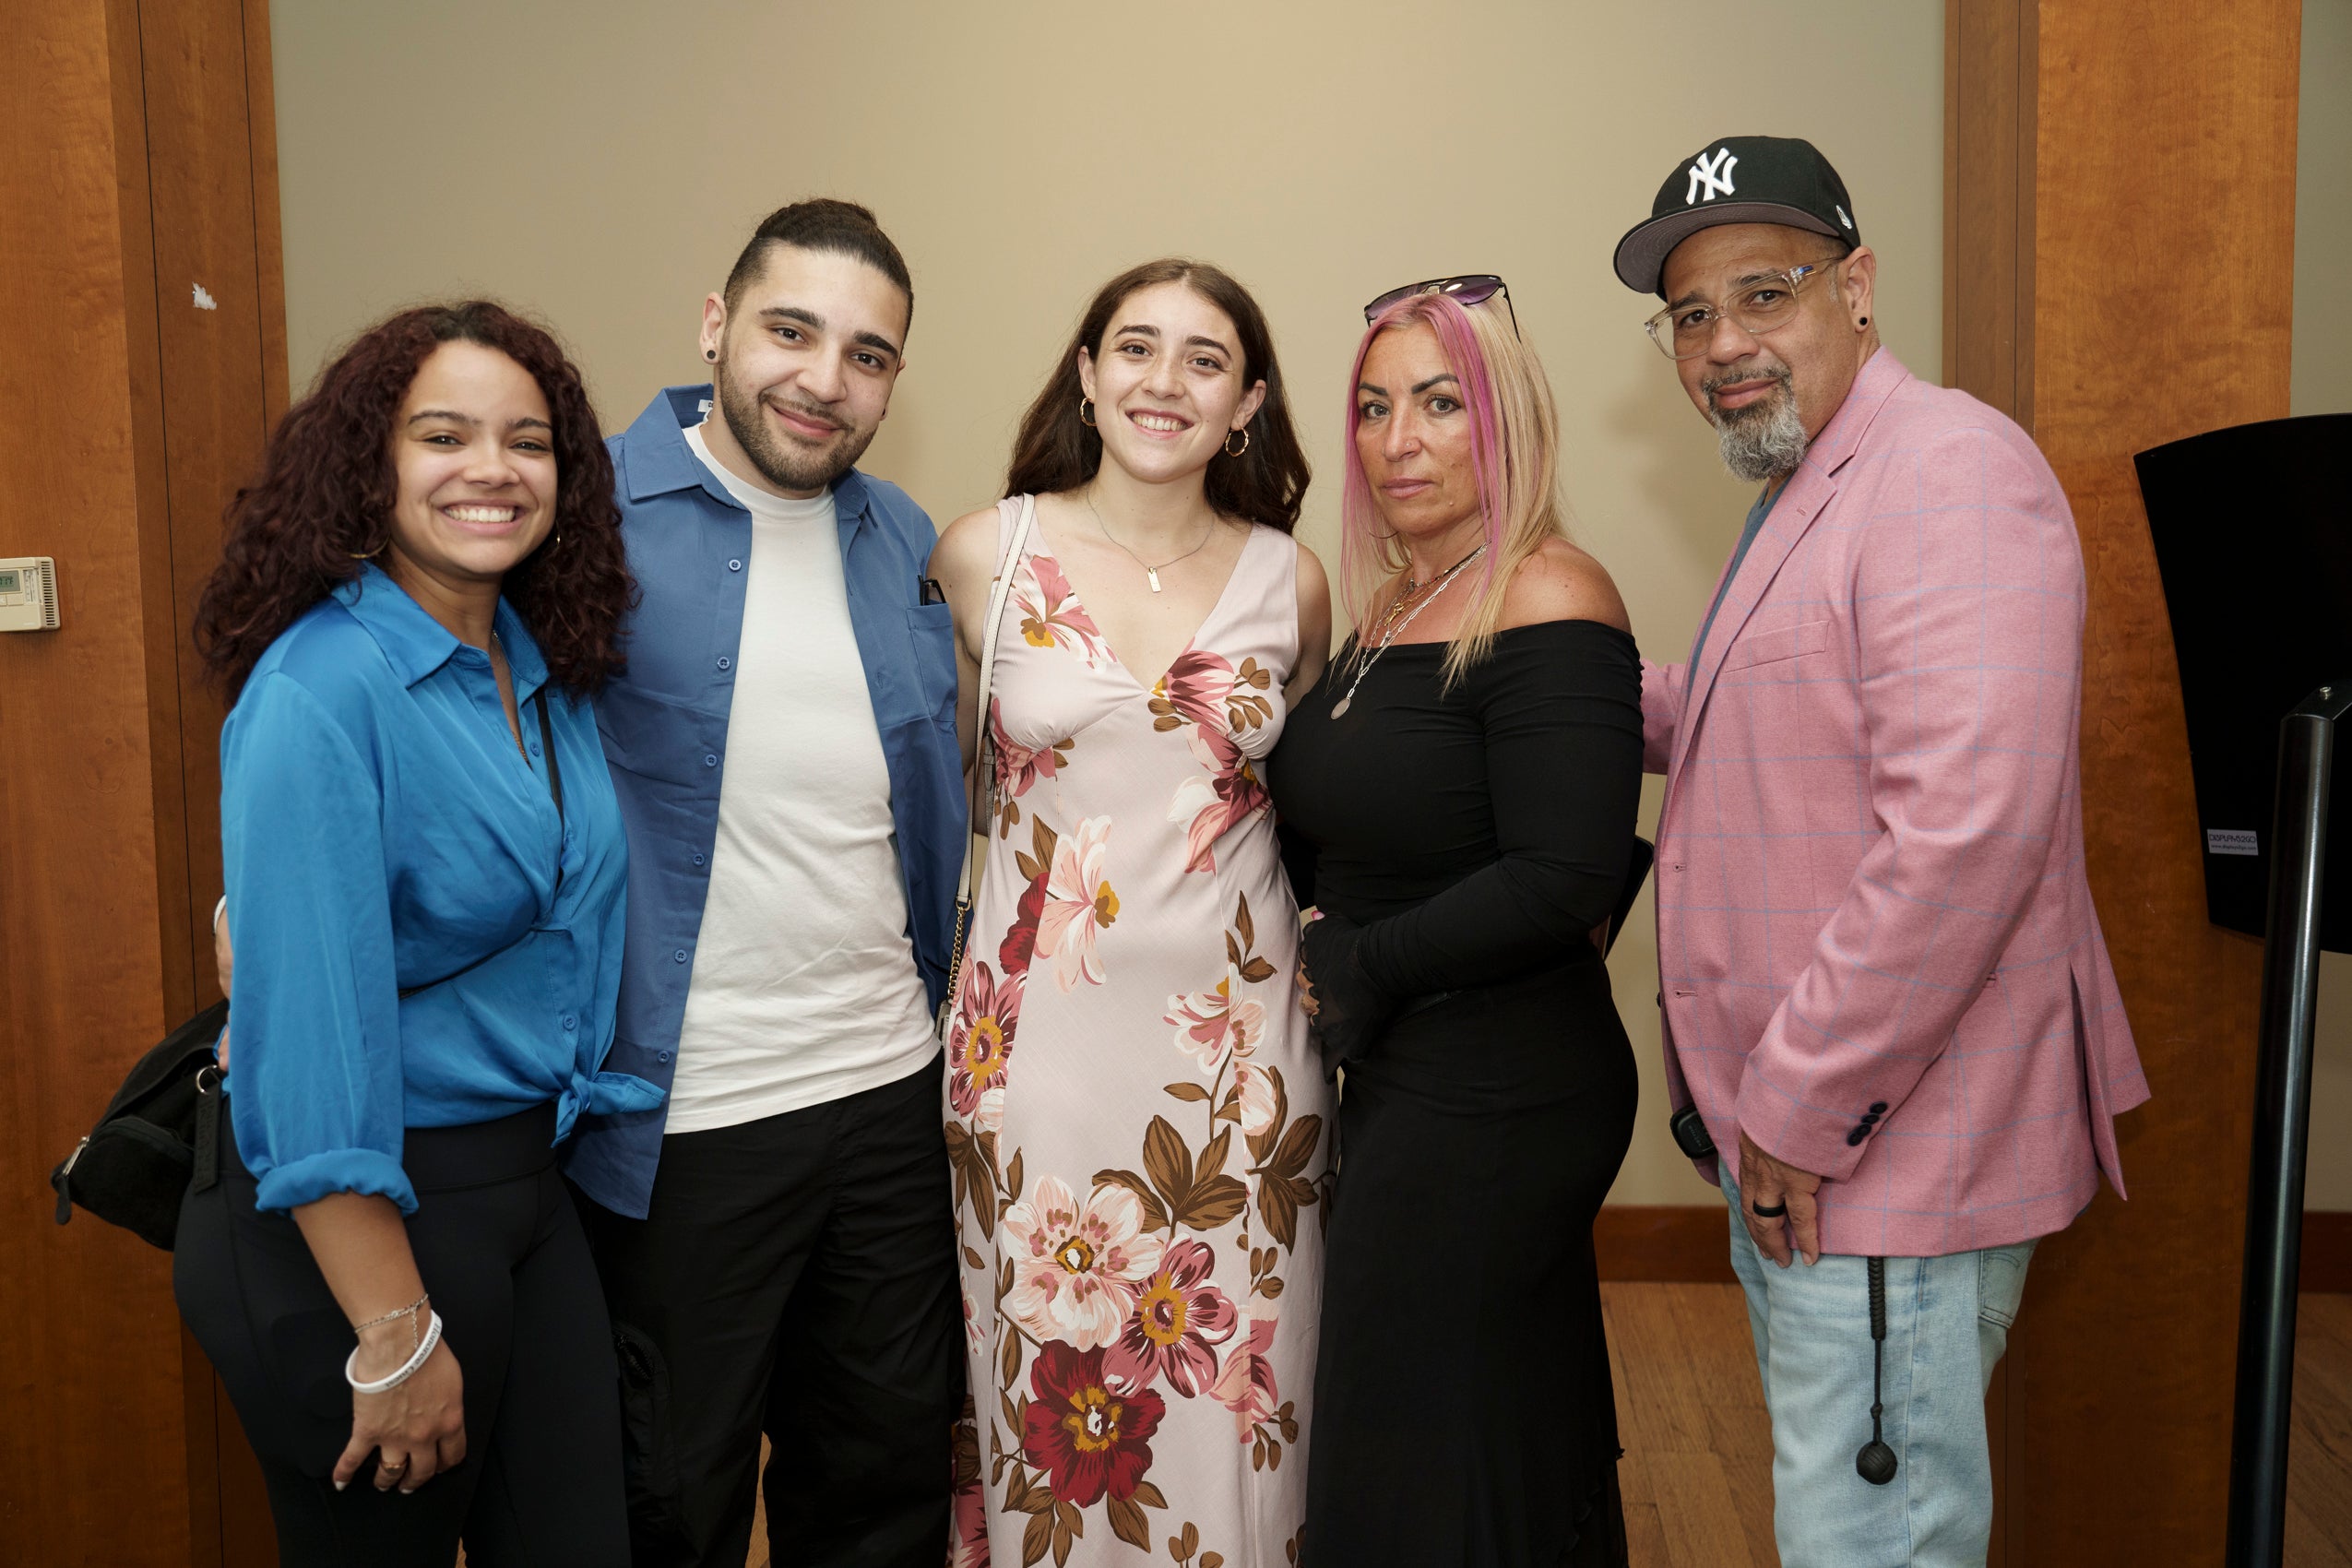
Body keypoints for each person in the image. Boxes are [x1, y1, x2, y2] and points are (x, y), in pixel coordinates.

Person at [1611, 136, 2148, 1566]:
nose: (1724, 345)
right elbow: (1761, 724)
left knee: (1872, 1541)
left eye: (1762, 294)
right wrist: (1542, 677)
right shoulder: (1812, 483)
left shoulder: (1949, 469)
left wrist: (1796, 1100)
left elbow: (1964, 833)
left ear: (1857, 287)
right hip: (1806, 1147)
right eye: (1689, 315)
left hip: (1875, 1150)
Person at [177, 301, 658, 1565]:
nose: (491, 469)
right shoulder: (319, 688)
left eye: (529, 440)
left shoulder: (536, 663)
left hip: (519, 1189)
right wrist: (394, 1331)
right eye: (441, 435)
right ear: (368, 467)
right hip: (354, 1216)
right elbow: (314, 1046)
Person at [552, 199, 967, 1568]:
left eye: (866, 355)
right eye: (791, 331)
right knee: (671, 1498)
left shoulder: (900, 537)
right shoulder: (579, 516)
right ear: (717, 326)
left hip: (888, 1097)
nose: (823, 379)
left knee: (883, 1487)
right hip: (689, 1120)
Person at [927, 258, 1332, 1568]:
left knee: (1241, 1394)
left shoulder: (1292, 580)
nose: (1166, 381)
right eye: (1136, 348)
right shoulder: (987, 551)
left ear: (1249, 404)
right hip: (1038, 1040)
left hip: (1239, 1049)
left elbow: (1320, 803)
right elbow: (938, 793)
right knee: (1052, 1381)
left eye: (1204, 359)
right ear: (1088, 377)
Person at [1269, 279, 1644, 1567]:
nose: (1398, 439)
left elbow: (1565, 871)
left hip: (1501, 1089)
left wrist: (1354, 963)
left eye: (1441, 404)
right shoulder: (1388, 609)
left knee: (1411, 1444)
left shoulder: (1548, 592)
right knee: (1480, 1426)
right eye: (1375, 408)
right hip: (1407, 1073)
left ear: (1510, 421)